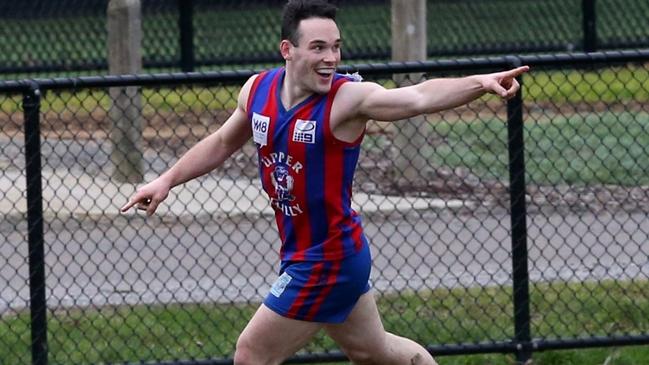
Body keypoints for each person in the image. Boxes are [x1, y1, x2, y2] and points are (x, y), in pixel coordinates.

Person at [121, 0, 529, 363]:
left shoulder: (347, 100)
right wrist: (167, 180)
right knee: (374, 353)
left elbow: (418, 97)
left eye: (336, 47)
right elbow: (224, 141)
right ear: (288, 50)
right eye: (318, 47)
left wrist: (481, 83)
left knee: (252, 354)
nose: (331, 57)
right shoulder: (258, 90)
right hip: (310, 252)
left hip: (327, 258)